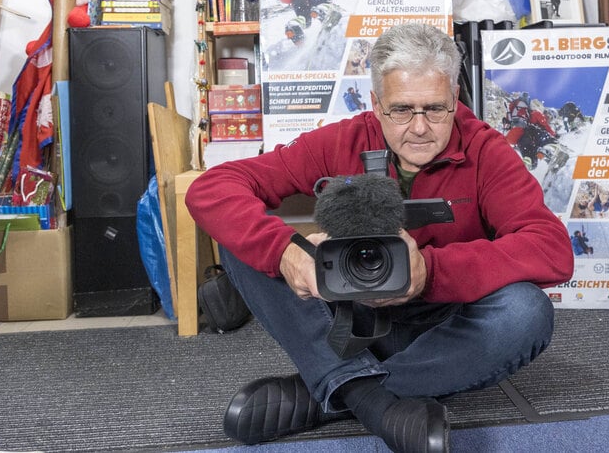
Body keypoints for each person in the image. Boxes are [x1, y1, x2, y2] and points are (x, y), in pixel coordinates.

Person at [186, 24, 574, 453]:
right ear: (376, 105)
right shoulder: (343, 139)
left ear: (455, 99)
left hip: (442, 327)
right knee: (242, 242)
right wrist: (285, 255)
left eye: (436, 109)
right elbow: (212, 188)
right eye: (402, 110)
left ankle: (332, 389)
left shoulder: (486, 151)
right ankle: (372, 400)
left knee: (526, 314)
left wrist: (429, 272)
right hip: (353, 317)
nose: (421, 127)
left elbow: (551, 248)